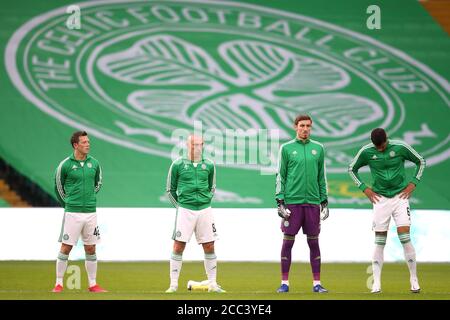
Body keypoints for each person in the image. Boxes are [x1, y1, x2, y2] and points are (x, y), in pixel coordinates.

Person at [348, 128, 425, 293]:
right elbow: (351, 169)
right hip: (380, 199)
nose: (380, 149)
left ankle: (414, 279)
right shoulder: (367, 151)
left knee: (405, 237)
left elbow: (421, 161)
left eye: (382, 146)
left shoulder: (400, 147)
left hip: (400, 197)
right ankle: (376, 283)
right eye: (377, 147)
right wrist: (365, 189)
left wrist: (413, 183)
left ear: (386, 140)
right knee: (379, 241)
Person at [275, 114, 329, 293]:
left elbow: (321, 176)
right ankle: (284, 283)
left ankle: (317, 283)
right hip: (292, 203)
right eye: (302, 126)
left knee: (314, 243)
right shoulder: (286, 148)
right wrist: (280, 201)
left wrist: (324, 200)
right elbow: (280, 175)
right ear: (295, 127)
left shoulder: (319, 148)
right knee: (288, 243)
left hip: (312, 203)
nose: (305, 129)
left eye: (308, 126)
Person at [165, 135, 225, 293]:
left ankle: (212, 284)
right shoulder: (177, 164)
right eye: (194, 145)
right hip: (185, 210)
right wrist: (181, 207)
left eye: (201, 144)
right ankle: (173, 285)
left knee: (210, 245)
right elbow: (170, 190)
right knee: (179, 246)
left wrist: (204, 202)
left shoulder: (209, 165)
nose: (198, 147)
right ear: (187, 145)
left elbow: (212, 188)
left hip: (205, 209)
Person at [52, 131, 106, 293]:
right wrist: (68, 204)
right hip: (72, 213)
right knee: (66, 247)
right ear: (76, 145)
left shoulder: (95, 164)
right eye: (84, 142)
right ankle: (58, 284)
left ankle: (93, 284)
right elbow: (58, 187)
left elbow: (98, 184)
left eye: (88, 141)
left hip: (90, 212)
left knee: (91, 249)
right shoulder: (65, 165)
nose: (88, 144)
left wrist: (88, 198)